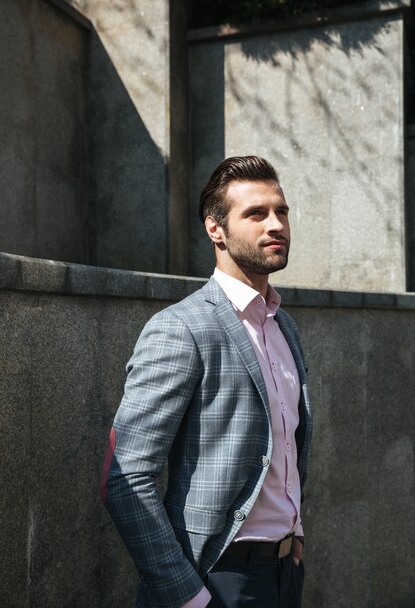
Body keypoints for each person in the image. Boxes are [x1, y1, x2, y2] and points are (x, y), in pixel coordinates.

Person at [100, 155, 313, 608]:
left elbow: (286, 448)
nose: (275, 224)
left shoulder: (284, 326)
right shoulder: (181, 328)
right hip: (215, 575)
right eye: (255, 214)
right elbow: (126, 477)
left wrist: (293, 537)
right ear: (215, 229)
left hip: (283, 572)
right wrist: (188, 597)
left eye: (282, 211)